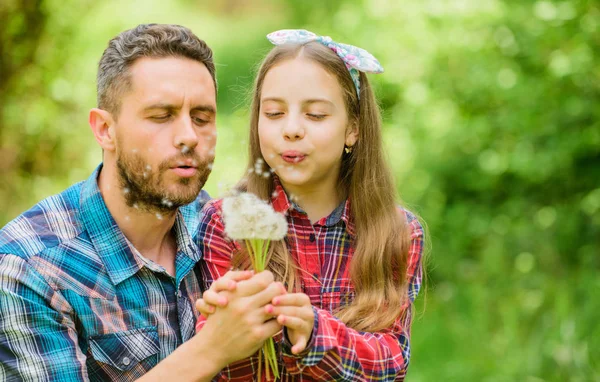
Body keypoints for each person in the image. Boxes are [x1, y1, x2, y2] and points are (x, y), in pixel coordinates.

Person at [0, 23, 284, 381]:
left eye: (202, 118)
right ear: (105, 130)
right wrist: (213, 348)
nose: (188, 137)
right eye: (161, 116)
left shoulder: (221, 231)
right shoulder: (30, 268)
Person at [195, 29, 425, 381]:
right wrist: (220, 323)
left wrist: (316, 334)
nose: (291, 129)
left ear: (353, 129)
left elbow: (391, 362)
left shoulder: (396, 233)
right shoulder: (226, 222)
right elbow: (221, 364)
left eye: (315, 115)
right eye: (273, 113)